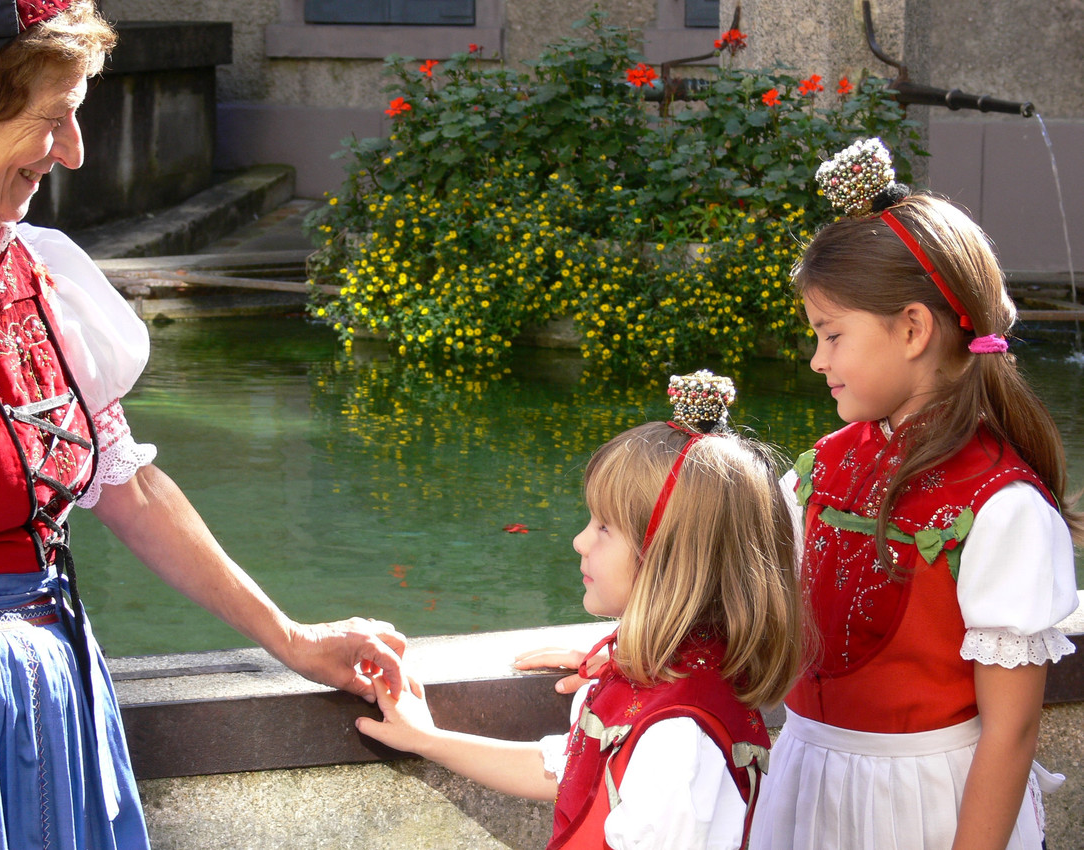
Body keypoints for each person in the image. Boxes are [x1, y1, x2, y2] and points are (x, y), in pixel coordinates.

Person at [0, 0, 405, 849]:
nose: (73, 152)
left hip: (59, 691)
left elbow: (126, 486)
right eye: (51, 117)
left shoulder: (37, 264)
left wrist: (292, 638)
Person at [749, 138, 1082, 850]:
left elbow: (1013, 728)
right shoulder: (819, 471)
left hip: (928, 807)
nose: (817, 360)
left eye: (831, 335)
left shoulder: (1002, 506)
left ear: (912, 328)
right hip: (806, 784)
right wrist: (627, 654)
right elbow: (741, 601)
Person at [358, 370, 806, 850]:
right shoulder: (663, 677)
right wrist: (427, 740)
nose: (579, 540)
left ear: (671, 560)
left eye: (604, 527)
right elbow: (573, 772)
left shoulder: (677, 738)